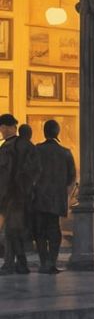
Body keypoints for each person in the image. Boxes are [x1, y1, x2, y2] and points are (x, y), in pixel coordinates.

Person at [27, 120, 75, 274]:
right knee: (54, 232)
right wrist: (65, 196)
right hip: (56, 200)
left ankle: (43, 263)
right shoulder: (66, 152)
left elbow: (28, 173)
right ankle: (51, 263)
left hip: (38, 199)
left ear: (44, 132)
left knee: (40, 233)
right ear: (57, 133)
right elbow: (71, 178)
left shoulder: (36, 150)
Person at [0, 116, 31, 273]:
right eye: (1, 127)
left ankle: (17, 264)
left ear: (12, 127)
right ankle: (16, 263)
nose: (2, 131)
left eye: (5, 127)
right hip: (11, 196)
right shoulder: (10, 145)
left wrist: (22, 190)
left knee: (12, 230)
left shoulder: (16, 146)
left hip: (14, 196)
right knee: (11, 230)